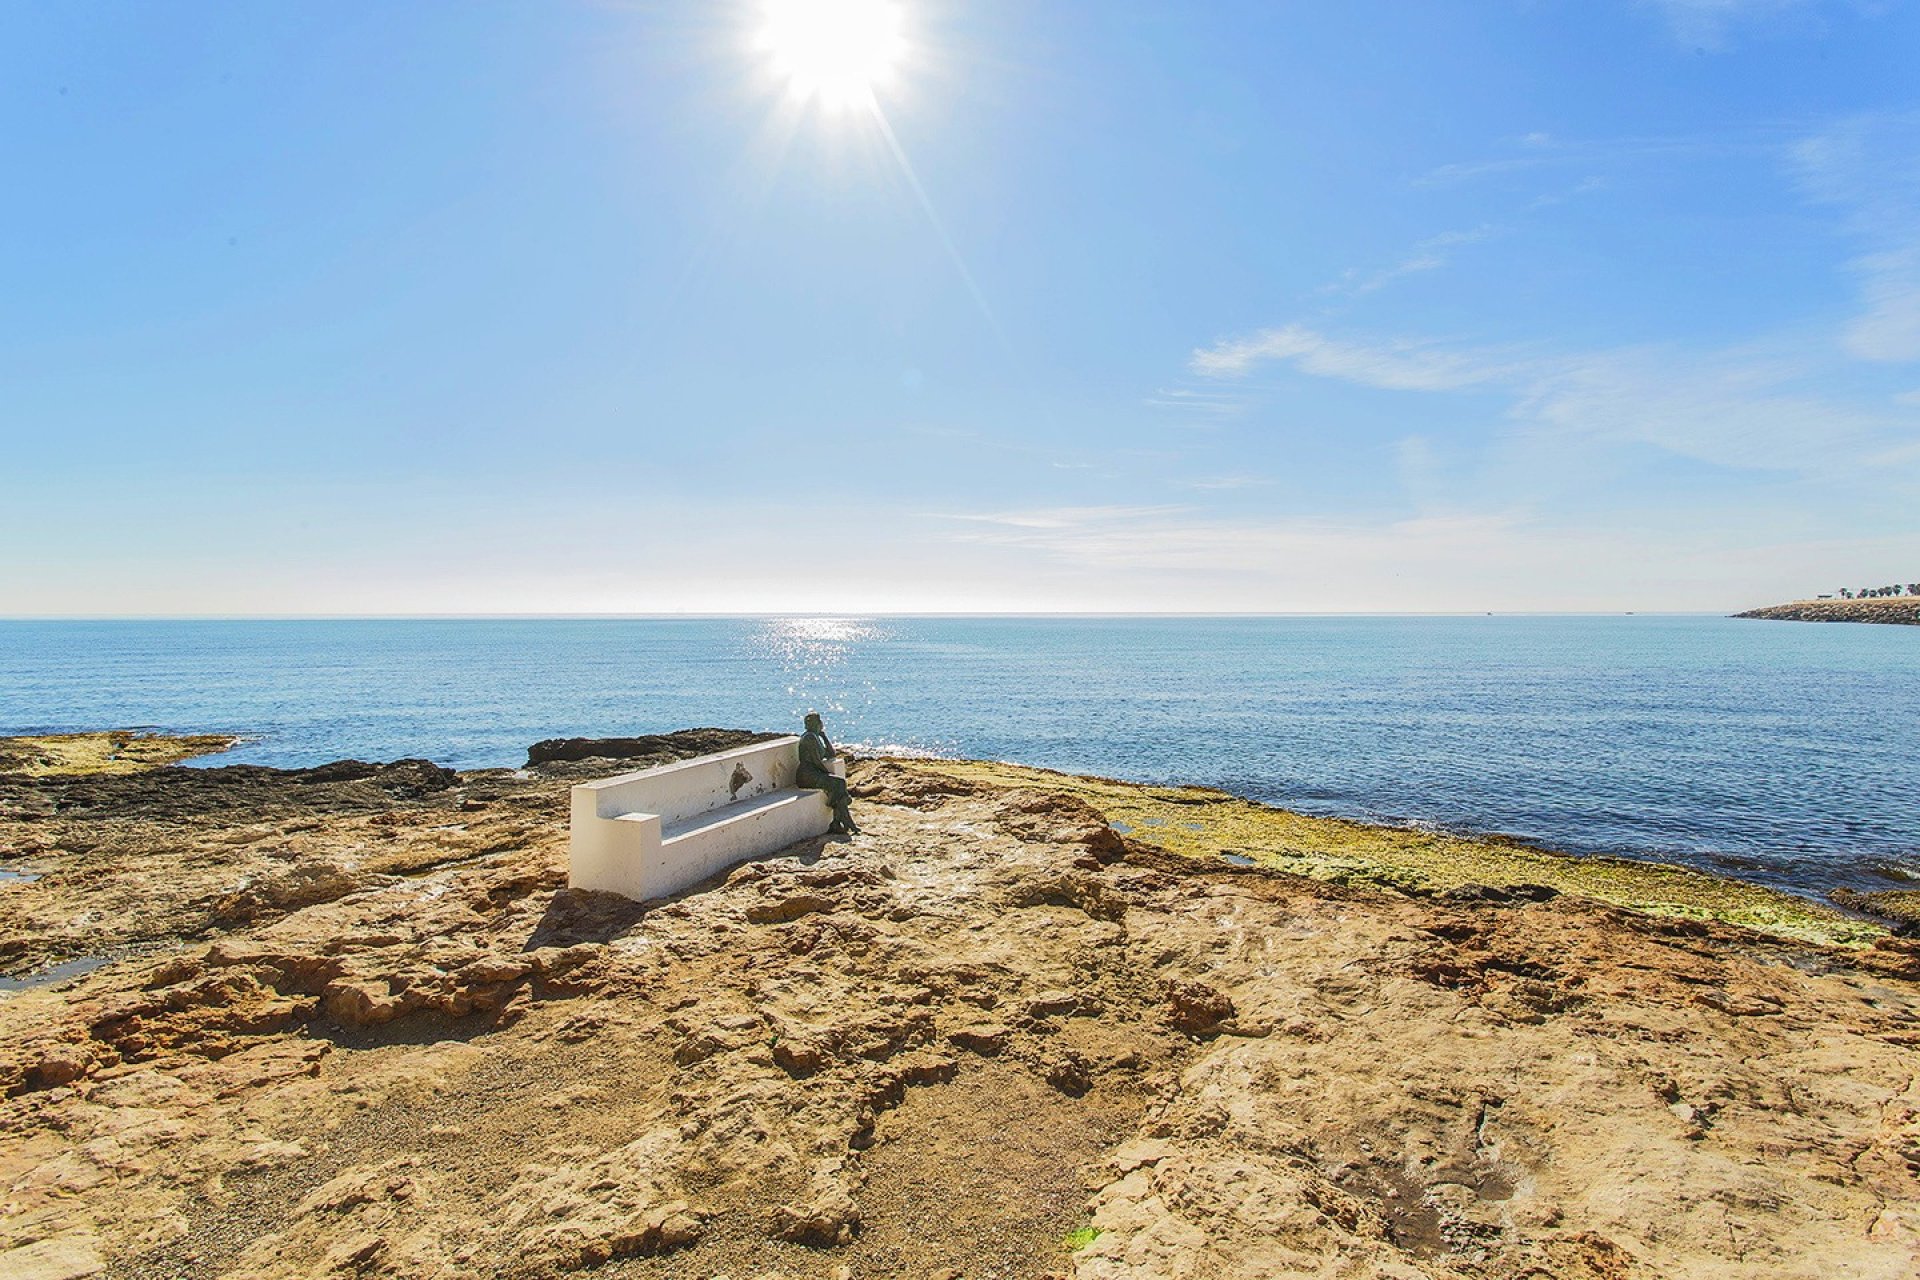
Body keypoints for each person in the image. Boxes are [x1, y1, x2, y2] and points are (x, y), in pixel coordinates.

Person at [797, 711, 858, 835]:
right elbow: (816, 762)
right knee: (838, 784)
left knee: (838, 787)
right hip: (807, 775)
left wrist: (824, 737)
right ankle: (845, 820)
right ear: (817, 723)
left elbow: (831, 754)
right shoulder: (809, 738)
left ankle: (838, 822)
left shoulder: (815, 737)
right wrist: (827, 776)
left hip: (813, 773)